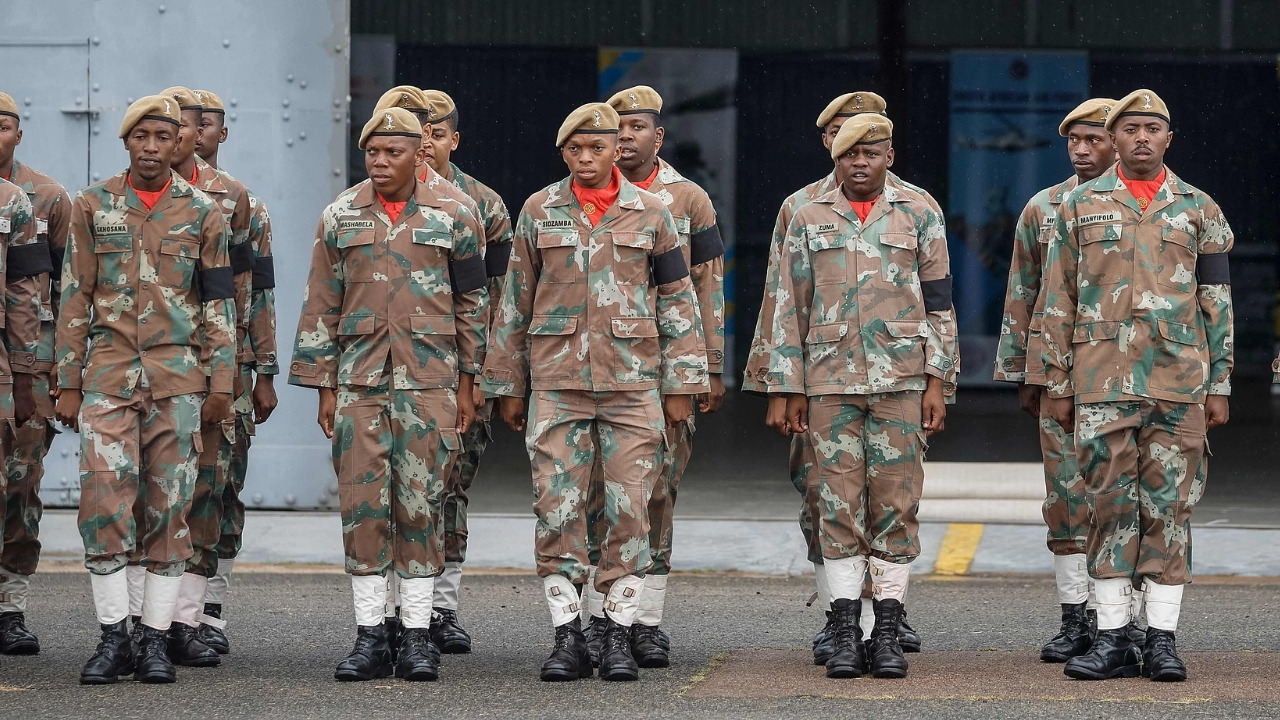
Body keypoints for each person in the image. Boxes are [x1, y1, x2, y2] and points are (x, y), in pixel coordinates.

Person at [481, 101, 707, 682]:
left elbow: (678, 302)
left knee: (630, 507)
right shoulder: (539, 210)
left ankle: (616, 633)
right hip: (556, 384)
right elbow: (514, 301)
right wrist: (507, 384)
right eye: (575, 150)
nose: (586, 158)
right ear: (564, 154)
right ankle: (566, 635)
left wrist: (683, 382)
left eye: (598, 148)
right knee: (558, 507)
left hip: (634, 384)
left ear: (617, 150)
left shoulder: (652, 212)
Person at [288, 107, 487, 682]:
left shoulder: (456, 213)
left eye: (392, 152)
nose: (379, 162)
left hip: (432, 383)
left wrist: (472, 384)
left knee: (422, 504)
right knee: (363, 507)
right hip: (359, 382)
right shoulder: (341, 214)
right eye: (372, 153)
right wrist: (323, 387)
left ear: (417, 153)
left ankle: (418, 636)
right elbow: (321, 303)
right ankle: (371, 635)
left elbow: (474, 304)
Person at [1041, 89, 1233, 682]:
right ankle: (1112, 636)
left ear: (1168, 139)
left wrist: (1220, 381)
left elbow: (1217, 302)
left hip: (1178, 382)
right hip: (1100, 381)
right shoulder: (1078, 208)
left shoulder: (1199, 209)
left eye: (1153, 128)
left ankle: (1162, 639)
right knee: (1107, 504)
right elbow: (1057, 298)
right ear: (1115, 138)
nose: (1142, 138)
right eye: (1131, 129)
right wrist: (1055, 381)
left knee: (1170, 508)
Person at [763, 114, 956, 679]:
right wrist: (786, 386)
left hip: (903, 380)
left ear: (889, 155)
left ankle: (888, 633)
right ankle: (846, 631)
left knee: (896, 505)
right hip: (829, 381)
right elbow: (786, 307)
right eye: (849, 154)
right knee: (837, 505)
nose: (860, 162)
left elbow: (940, 302)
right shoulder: (806, 215)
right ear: (835, 158)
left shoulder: (920, 211)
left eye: (871, 152)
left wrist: (938, 381)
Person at [58, 95, 235, 684]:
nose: (153, 148)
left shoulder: (206, 212)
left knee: (168, 510)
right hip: (107, 379)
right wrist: (65, 382)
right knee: (104, 506)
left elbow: (218, 304)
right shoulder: (92, 205)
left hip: (178, 382)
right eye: (143, 137)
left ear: (178, 142)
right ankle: (114, 638)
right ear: (127, 142)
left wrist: (222, 383)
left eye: (164, 136)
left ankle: (154, 641)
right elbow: (75, 296)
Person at [992, 97, 1155, 662]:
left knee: (1130, 498)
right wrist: (1026, 374)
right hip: (1065, 377)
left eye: (1094, 140)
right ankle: (1075, 618)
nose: (1082, 150)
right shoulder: (1044, 207)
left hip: (1136, 378)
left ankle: (1127, 621)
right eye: (1073, 142)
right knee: (1066, 498)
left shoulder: (1152, 203)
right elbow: (1025, 294)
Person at [573, 84, 725, 669]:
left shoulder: (687, 201)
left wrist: (707, 368)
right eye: (620, 127)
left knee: (654, 494)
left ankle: (646, 621)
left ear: (657, 136)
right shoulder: (574, 196)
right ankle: (596, 618)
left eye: (638, 127)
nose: (628, 136)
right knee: (589, 494)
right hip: (594, 372)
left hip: (665, 374)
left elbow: (707, 286)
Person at [415, 88, 514, 654]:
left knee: (450, 489)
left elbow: (500, 297)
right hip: (399, 371)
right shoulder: (367, 201)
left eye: (437, 132)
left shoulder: (484, 205)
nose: (425, 141)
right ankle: (400, 612)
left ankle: (441, 608)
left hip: (462, 373)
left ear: (455, 139)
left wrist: (491, 377)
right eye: (417, 130)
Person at [192, 88, 280, 655]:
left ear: (222, 133)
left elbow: (260, 292)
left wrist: (263, 369)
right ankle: (165, 610)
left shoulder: (242, 203)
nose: (194, 131)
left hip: (234, 363)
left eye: (206, 123)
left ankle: (209, 607)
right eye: (186, 122)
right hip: (171, 364)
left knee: (222, 486)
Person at [0, 90, 71, 655]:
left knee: (20, 486)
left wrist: (46, 374)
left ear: (19, 133)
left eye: (4, 125)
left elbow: (65, 291)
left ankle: (10, 608)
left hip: (25, 367)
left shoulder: (42, 197)